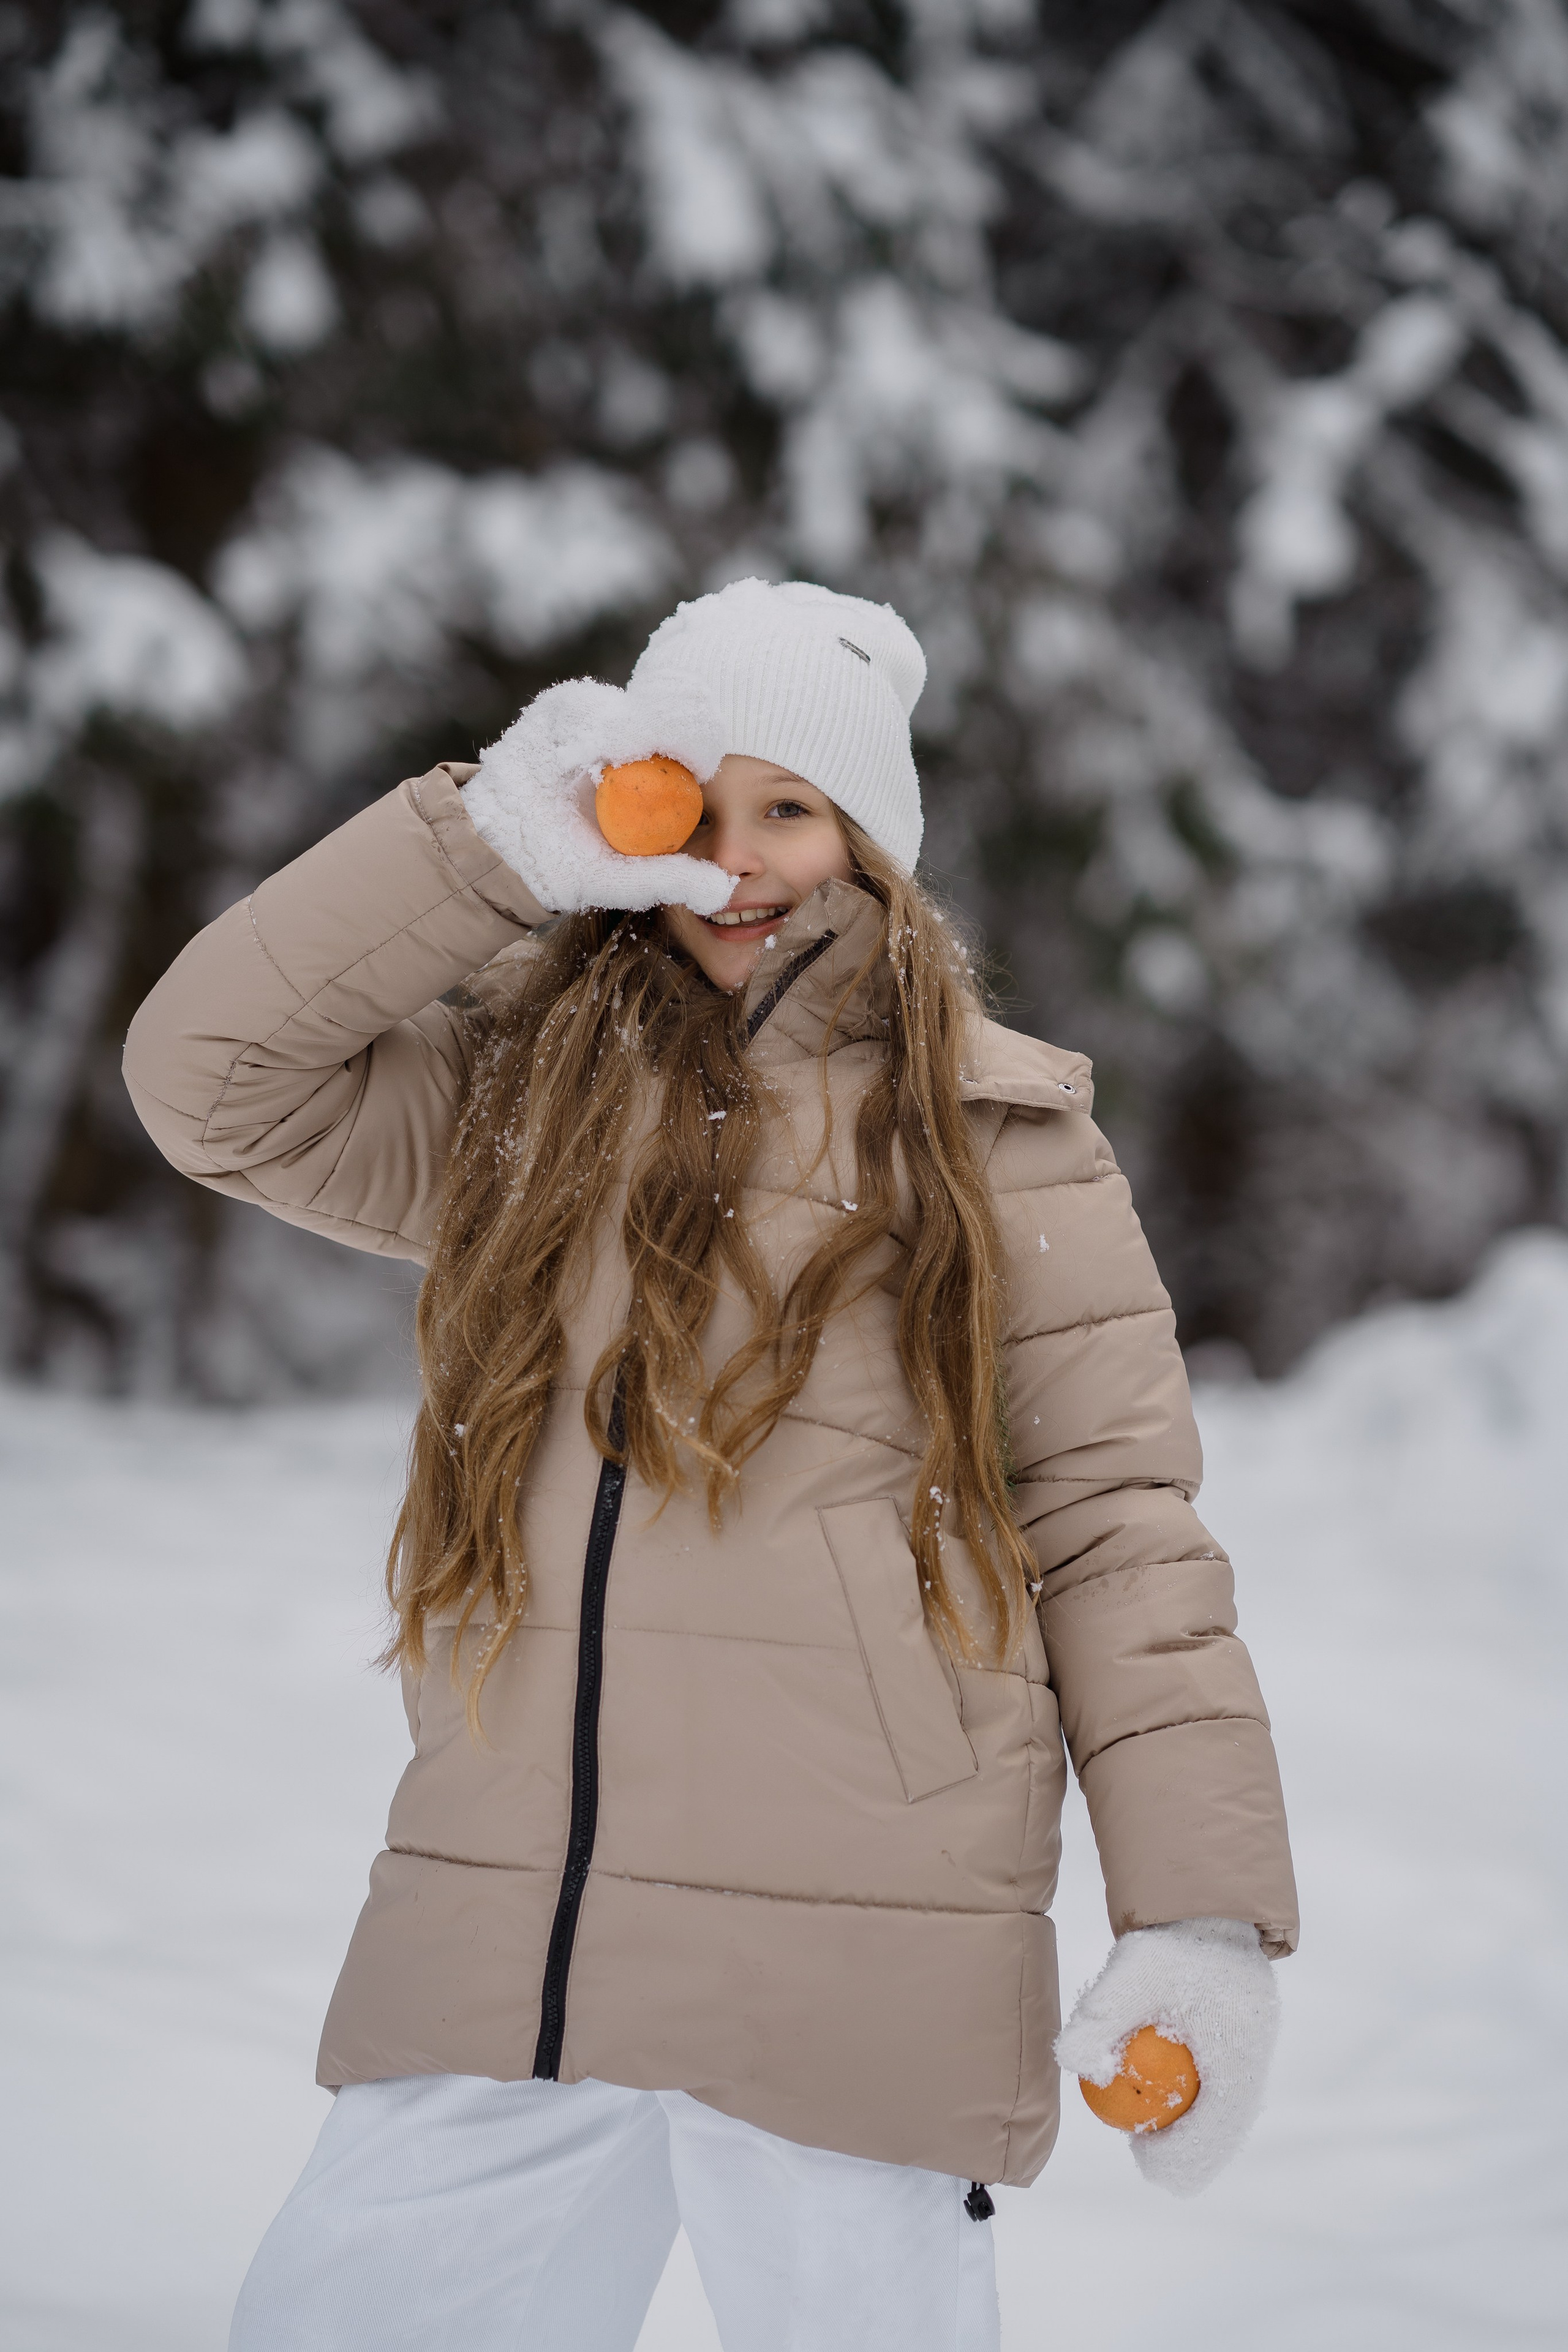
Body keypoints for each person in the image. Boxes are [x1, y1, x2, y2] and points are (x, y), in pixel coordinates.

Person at [125, 579, 1298, 2352]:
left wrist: (1198, 1917)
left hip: (859, 1935)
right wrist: (488, 849)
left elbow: (1121, 1531)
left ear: (874, 845)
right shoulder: (518, 1105)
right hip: (520, 1919)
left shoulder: (997, 1141)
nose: (741, 863)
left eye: (794, 812)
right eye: (699, 799)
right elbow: (209, 1082)